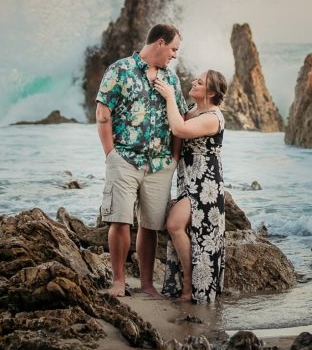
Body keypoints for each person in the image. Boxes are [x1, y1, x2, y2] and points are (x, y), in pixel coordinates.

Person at [95, 23, 188, 298]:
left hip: (159, 164)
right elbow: (102, 113)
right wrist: (110, 154)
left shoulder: (171, 80)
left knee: (150, 225)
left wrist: (173, 157)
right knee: (120, 221)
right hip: (124, 158)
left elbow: (179, 118)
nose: (174, 55)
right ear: (159, 42)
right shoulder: (119, 70)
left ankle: (147, 285)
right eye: (173, 49)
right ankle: (119, 282)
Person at [152, 69, 228, 303]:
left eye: (200, 82)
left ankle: (189, 286)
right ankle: (187, 287)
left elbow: (180, 130)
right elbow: (175, 133)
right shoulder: (194, 111)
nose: (194, 82)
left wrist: (170, 98)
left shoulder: (213, 117)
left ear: (212, 92)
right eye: (196, 79)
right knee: (188, 231)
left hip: (206, 182)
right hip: (188, 179)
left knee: (175, 224)